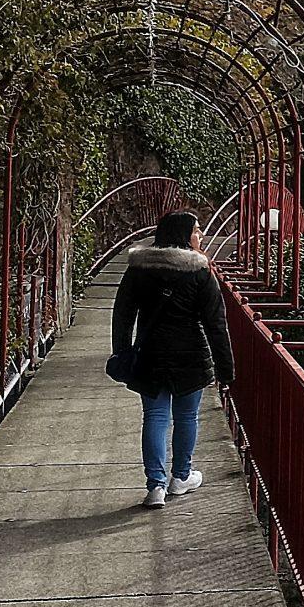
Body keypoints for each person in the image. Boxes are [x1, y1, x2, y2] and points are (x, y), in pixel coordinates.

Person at [111, 211, 233, 508]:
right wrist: (225, 367)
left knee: (154, 416)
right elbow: (216, 322)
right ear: (183, 234)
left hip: (150, 352)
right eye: (197, 230)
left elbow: (123, 314)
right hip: (190, 353)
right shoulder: (199, 270)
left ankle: (155, 485)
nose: (201, 235)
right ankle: (181, 477)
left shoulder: (139, 267)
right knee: (186, 417)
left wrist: (123, 352)